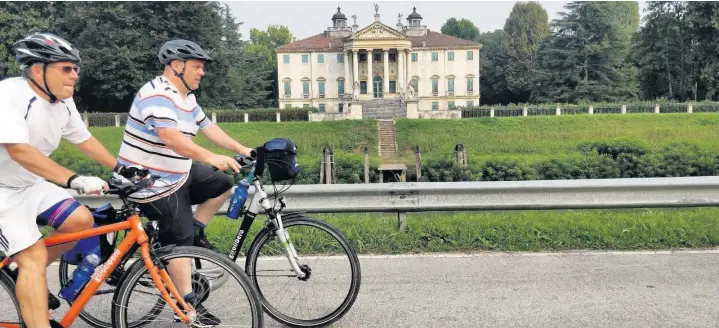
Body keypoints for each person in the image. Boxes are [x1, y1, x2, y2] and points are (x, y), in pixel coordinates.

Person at [115, 39, 253, 325]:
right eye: (198, 67)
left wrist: (241, 150)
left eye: (202, 68)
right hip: (150, 182)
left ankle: (196, 232)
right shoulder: (157, 94)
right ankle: (188, 308)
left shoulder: (186, 96)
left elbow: (208, 127)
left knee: (221, 183)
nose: (202, 72)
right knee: (178, 242)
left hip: (177, 173)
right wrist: (211, 156)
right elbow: (171, 138)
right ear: (177, 66)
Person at [0, 32, 127, 328]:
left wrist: (123, 168)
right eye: (66, 69)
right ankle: (30, 276)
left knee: (80, 222)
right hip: (1, 192)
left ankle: (24, 273)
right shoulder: (9, 96)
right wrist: (74, 179)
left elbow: (84, 140)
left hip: (29, 184)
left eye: (76, 69)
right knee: (31, 259)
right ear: (36, 70)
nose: (75, 76)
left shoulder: (62, 102)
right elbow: (19, 151)